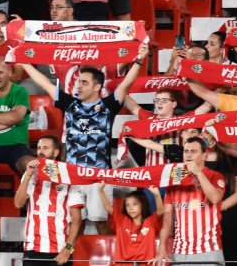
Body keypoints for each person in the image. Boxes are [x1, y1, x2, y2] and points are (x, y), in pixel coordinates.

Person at [20, 44, 148, 232]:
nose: (79, 85)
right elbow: (44, 83)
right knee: (74, 222)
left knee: (100, 222)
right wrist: (23, 61)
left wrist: (139, 60)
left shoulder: (108, 106)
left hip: (99, 177)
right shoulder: (69, 104)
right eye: (79, 81)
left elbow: (126, 84)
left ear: (97, 87)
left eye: (84, 82)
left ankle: (112, 259)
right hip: (73, 176)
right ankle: (71, 258)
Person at [156, 138, 227, 265]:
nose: (188, 155)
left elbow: (215, 198)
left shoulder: (215, 176)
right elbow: (167, 220)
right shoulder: (174, 179)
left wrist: (198, 174)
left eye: (193, 151)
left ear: (204, 155)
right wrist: (162, 246)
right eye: (186, 151)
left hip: (208, 249)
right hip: (180, 251)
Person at [15, 136, 83, 266]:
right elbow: (18, 203)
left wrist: (68, 249)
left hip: (59, 251)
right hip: (32, 248)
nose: (40, 151)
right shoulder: (30, 173)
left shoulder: (68, 176)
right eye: (39, 148)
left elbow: (77, 219)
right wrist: (28, 175)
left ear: (56, 152)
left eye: (45, 148)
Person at [97, 185, 160, 264]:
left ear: (143, 205)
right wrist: (100, 190)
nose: (130, 208)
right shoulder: (121, 220)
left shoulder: (150, 221)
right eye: (127, 205)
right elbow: (108, 207)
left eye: (134, 204)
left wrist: (157, 195)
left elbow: (160, 212)